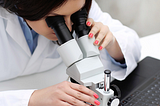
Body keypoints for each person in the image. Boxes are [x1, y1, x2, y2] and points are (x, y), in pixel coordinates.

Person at [0, 0, 141, 106]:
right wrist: (32, 98)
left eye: (74, 15)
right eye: (55, 19)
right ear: (25, 5)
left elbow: (131, 42)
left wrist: (110, 43)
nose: (68, 27)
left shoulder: (74, 3)